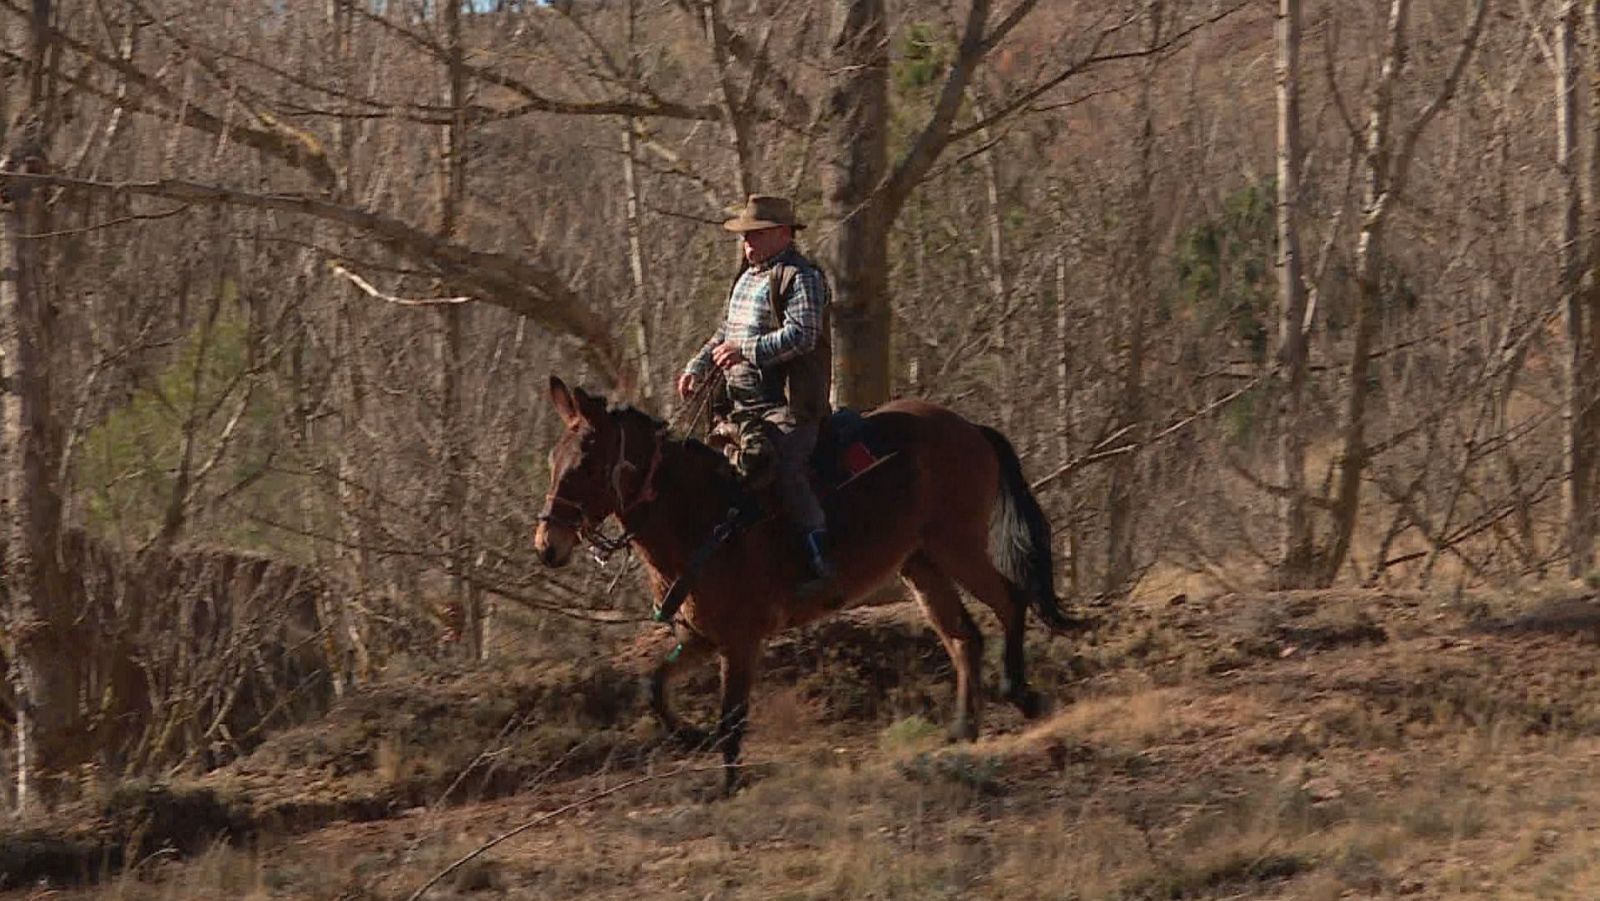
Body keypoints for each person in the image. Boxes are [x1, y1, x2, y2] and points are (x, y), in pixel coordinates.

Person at [678, 194, 836, 593]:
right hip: (739, 406)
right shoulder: (747, 277)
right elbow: (723, 332)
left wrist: (744, 350)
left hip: (789, 407)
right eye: (745, 236)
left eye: (756, 235)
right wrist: (698, 367)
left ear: (783, 234)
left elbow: (801, 336)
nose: (747, 244)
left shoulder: (803, 278)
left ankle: (818, 556)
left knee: (783, 469)